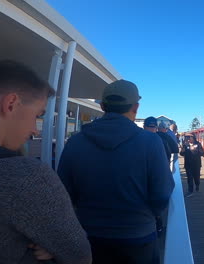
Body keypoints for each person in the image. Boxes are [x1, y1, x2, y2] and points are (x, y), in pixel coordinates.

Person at [0, 60, 92, 264]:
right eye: (37, 115)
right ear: (10, 104)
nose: (35, 129)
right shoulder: (23, 175)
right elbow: (79, 255)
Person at [58, 80, 175, 264]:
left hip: (89, 239)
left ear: (103, 106)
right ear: (135, 107)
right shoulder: (151, 143)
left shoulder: (76, 142)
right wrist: (146, 215)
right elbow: (162, 193)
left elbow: (62, 192)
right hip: (138, 237)